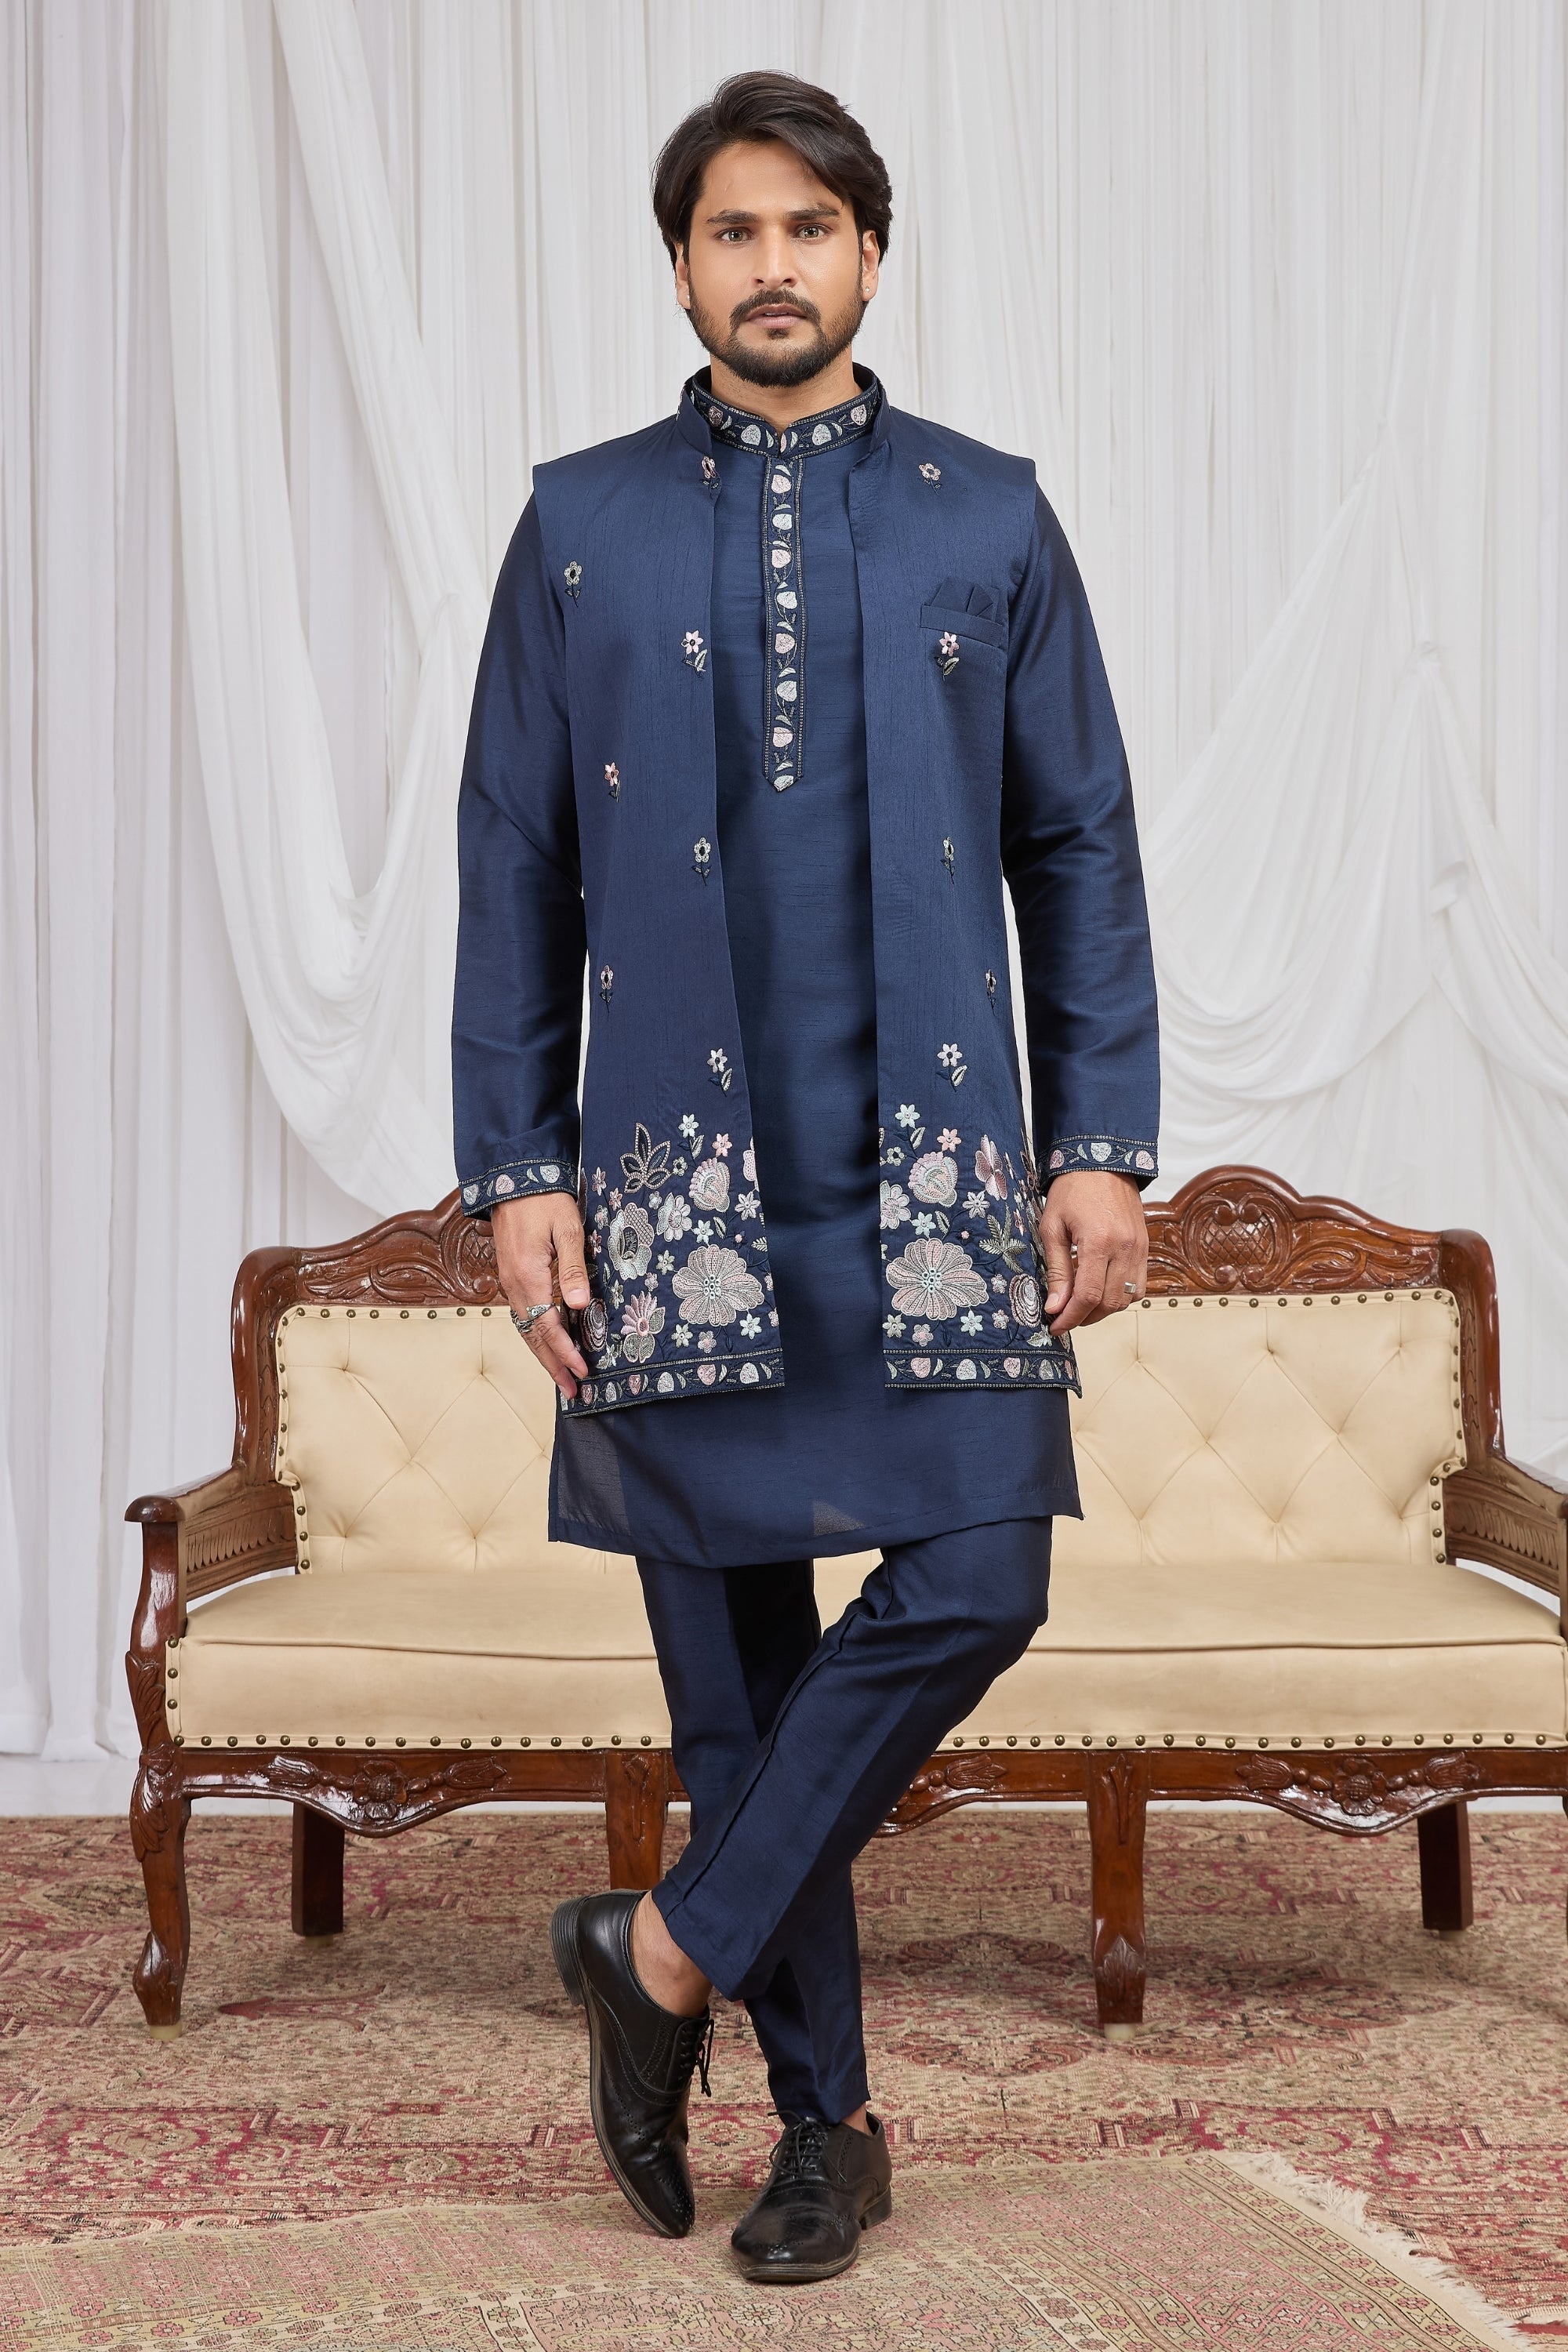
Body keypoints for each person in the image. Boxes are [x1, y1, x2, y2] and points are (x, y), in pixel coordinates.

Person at [451, 69, 1159, 2285]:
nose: (775, 265)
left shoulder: (989, 518)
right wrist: (518, 1165)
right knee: (738, 1691)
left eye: (812, 228)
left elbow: (1080, 842)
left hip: (931, 1171)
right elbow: (514, 858)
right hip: (674, 1185)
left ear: (871, 255)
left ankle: (655, 1955)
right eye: (734, 230)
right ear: (682, 264)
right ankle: (824, 2132)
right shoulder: (579, 523)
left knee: (982, 1574)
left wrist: (1099, 1143)